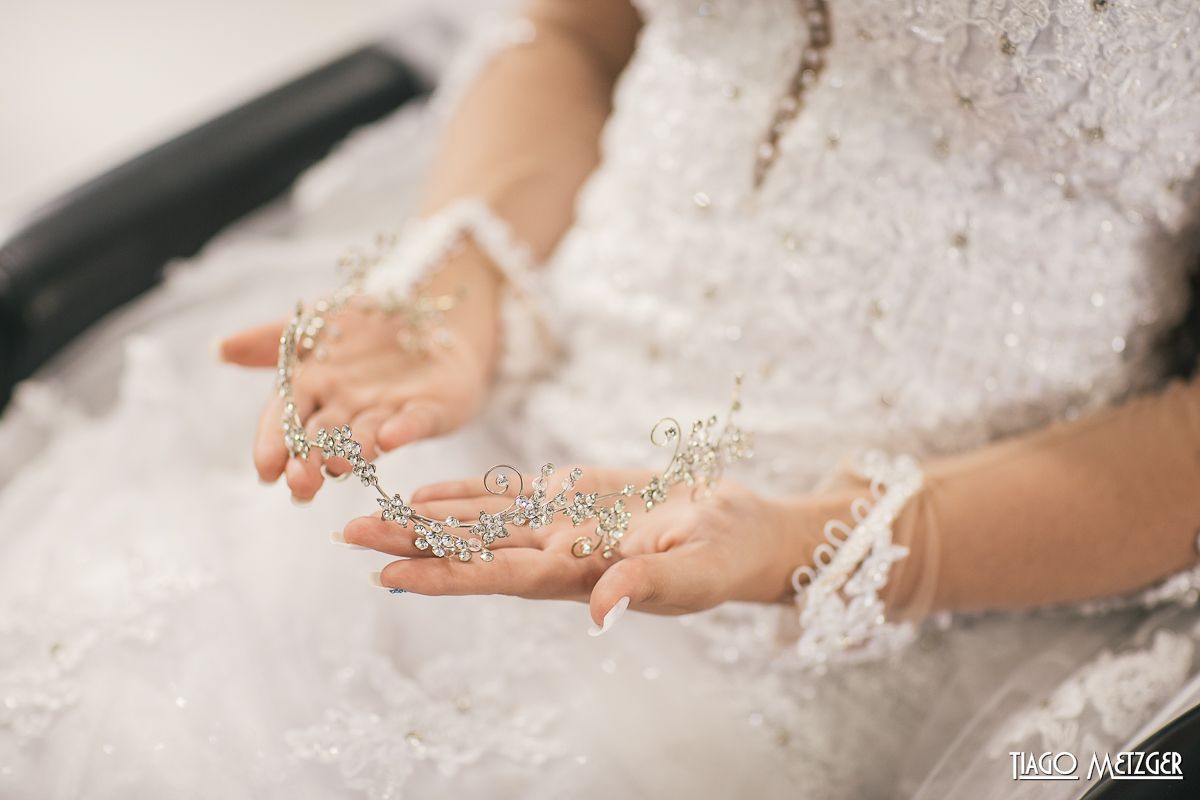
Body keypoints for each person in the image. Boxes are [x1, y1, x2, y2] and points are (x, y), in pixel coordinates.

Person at [5, 0, 1200, 797]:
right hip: (511, 407)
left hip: (925, 585)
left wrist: (822, 547)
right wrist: (465, 277)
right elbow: (577, 32)